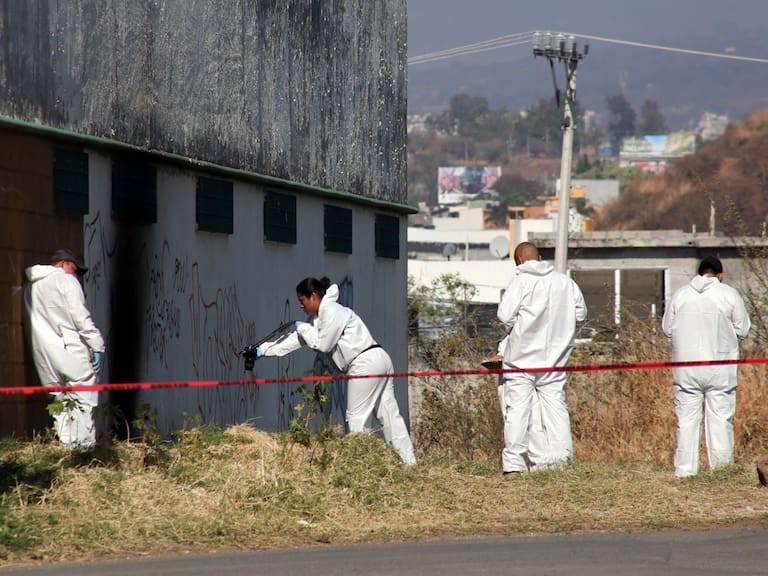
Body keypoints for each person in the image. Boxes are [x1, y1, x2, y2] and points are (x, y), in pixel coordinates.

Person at [255, 277, 417, 465]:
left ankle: (360, 467)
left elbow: (322, 344)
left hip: (364, 362)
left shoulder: (331, 311)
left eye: (302, 301)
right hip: (377, 358)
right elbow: (298, 340)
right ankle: (409, 464)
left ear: (313, 297)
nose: (301, 305)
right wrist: (264, 350)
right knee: (389, 415)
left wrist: (304, 328)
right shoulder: (320, 318)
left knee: (357, 418)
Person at [496, 242, 587, 475]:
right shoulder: (565, 282)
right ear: (539, 256)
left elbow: (504, 316)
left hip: (520, 360)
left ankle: (514, 465)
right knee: (556, 408)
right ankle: (560, 461)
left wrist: (520, 331)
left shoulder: (520, 281)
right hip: (554, 360)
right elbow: (580, 314)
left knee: (517, 410)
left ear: (518, 260)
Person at [661, 256, 750, 478]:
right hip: (720, 367)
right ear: (720, 275)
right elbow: (743, 329)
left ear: (699, 273)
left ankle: (684, 471)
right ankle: (721, 470)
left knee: (687, 420)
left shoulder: (681, 295)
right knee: (720, 419)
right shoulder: (728, 294)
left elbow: (667, 328)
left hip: (686, 368)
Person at [24, 249, 105, 449]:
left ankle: (68, 449)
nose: (76, 275)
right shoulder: (66, 281)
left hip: (43, 353)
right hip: (70, 349)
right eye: (74, 269)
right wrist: (97, 344)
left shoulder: (30, 286)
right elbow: (80, 318)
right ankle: (84, 452)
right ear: (62, 264)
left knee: (58, 403)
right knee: (85, 400)